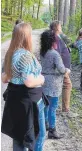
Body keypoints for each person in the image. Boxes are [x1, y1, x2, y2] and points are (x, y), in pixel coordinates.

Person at [1, 23, 47, 151]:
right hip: (30, 102)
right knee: (37, 135)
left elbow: (4, 78)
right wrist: (42, 79)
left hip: (15, 100)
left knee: (18, 137)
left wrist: (15, 75)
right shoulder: (25, 55)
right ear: (26, 36)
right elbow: (29, 82)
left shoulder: (10, 54)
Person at [40, 30, 70, 139]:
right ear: (53, 41)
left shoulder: (42, 52)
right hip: (54, 83)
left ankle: (45, 125)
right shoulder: (54, 54)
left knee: (45, 106)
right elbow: (62, 70)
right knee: (53, 107)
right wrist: (67, 70)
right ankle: (52, 130)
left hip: (44, 81)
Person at [49, 21, 73, 117]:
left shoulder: (57, 37)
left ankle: (60, 108)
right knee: (67, 85)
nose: (61, 27)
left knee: (63, 85)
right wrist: (62, 69)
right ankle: (65, 109)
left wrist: (67, 50)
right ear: (56, 27)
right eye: (60, 25)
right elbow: (56, 54)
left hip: (63, 67)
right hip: (62, 68)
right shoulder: (55, 38)